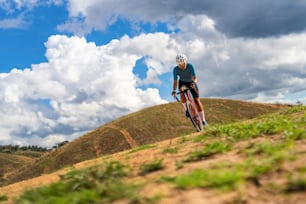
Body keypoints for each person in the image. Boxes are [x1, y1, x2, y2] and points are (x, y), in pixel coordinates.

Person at [171, 53, 208, 126]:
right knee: (181, 90)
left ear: (185, 62)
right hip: (182, 82)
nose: (182, 66)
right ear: (177, 64)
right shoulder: (175, 69)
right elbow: (175, 81)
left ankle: (203, 120)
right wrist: (174, 90)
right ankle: (186, 109)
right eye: (180, 64)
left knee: (197, 100)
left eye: (183, 64)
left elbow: (195, 77)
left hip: (191, 81)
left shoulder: (190, 66)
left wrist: (194, 83)